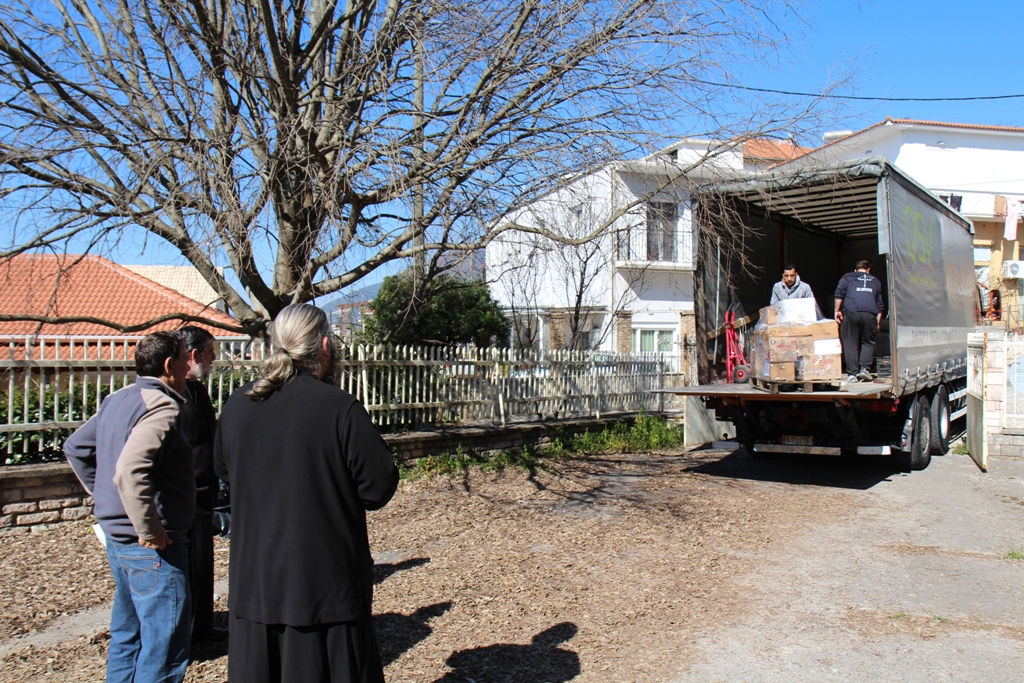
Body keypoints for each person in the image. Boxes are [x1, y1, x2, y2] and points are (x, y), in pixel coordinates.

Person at [214, 304, 399, 683]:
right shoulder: (339, 408)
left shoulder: (236, 406)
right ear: (325, 347)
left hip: (256, 586)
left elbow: (221, 475)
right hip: (326, 593)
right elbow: (378, 487)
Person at [64, 331, 194, 683]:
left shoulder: (118, 399)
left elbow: (76, 446)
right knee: (164, 648)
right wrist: (150, 529)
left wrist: (106, 500)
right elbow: (130, 469)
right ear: (169, 365)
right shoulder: (162, 406)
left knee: (128, 637)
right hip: (152, 548)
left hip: (118, 541)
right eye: (186, 358)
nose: (190, 365)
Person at [179, 325, 227, 643]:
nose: (213, 359)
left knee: (203, 563)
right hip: (185, 493)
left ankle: (203, 627)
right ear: (194, 355)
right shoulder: (173, 390)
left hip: (204, 492)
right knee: (189, 565)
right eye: (210, 352)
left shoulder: (197, 388)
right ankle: (191, 631)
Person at [834, 259, 885, 383]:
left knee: (850, 342)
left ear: (855, 270)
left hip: (851, 312)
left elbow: (839, 294)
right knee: (868, 341)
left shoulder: (848, 277)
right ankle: (865, 370)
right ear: (868, 270)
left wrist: (837, 310)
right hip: (869, 314)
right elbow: (880, 306)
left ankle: (852, 374)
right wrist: (877, 322)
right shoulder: (875, 281)